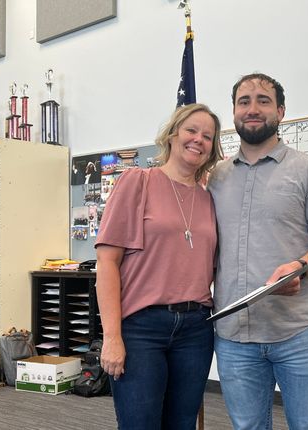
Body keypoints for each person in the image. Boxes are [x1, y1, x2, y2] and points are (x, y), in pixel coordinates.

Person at [207, 73, 308, 430]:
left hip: (297, 332)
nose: (252, 109)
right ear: (235, 112)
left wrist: (300, 266)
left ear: (281, 111)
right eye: (244, 101)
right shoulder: (215, 178)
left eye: (263, 100)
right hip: (234, 337)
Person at [95, 103, 224, 429]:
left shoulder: (211, 198)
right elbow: (107, 263)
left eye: (207, 136)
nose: (198, 140)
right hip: (141, 329)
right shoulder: (138, 182)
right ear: (173, 134)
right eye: (191, 130)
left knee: (181, 424)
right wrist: (112, 337)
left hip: (196, 329)